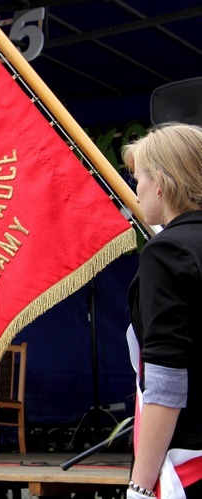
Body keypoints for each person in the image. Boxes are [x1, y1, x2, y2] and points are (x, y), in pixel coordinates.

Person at [122, 123, 202, 498]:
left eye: (138, 179)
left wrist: (140, 484)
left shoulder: (167, 253)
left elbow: (167, 381)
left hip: (190, 463)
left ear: (160, 183)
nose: (135, 191)